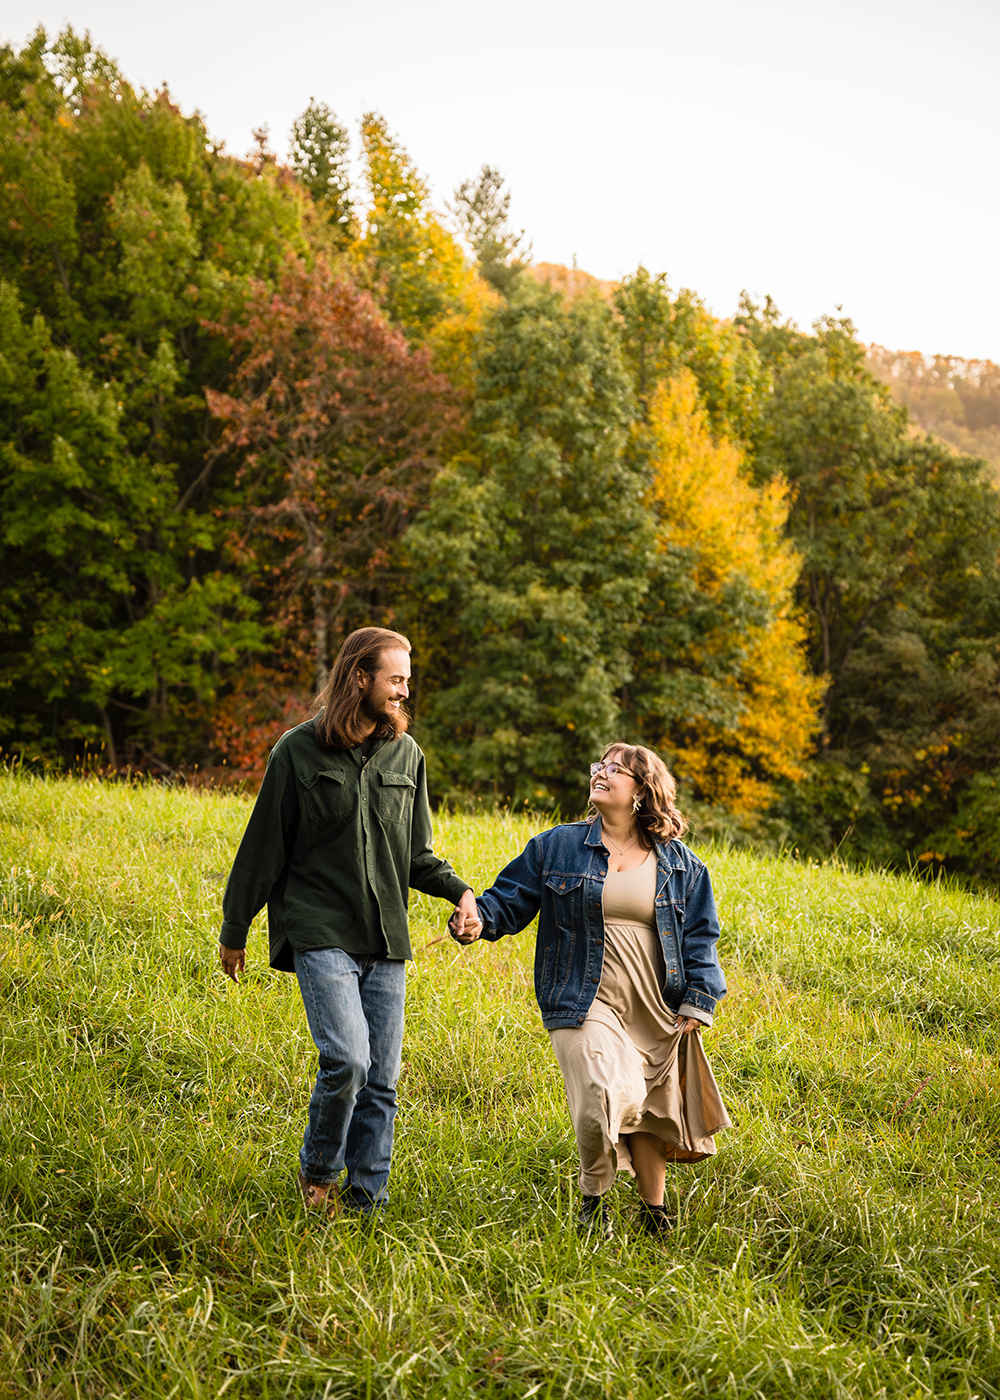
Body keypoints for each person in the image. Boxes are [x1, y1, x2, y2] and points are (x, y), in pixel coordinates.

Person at [219, 626, 481, 1217]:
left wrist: (461, 893)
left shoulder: (406, 755)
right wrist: (235, 931)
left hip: (386, 936)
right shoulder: (297, 751)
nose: (404, 692)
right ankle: (319, 1175)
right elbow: (263, 848)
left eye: (407, 681)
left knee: (383, 1080)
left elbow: (417, 856)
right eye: (395, 679)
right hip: (318, 930)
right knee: (349, 1059)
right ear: (359, 678)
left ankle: (368, 1203)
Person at [450, 742, 730, 1240]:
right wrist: (478, 919)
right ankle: (593, 1201)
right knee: (603, 1091)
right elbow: (508, 901)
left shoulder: (682, 866)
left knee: (647, 1112)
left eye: (617, 770)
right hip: (582, 996)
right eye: (600, 766)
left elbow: (701, 937)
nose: (602, 773)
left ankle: (654, 1214)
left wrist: (698, 999)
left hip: (657, 1005)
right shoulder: (557, 846)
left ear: (642, 792)